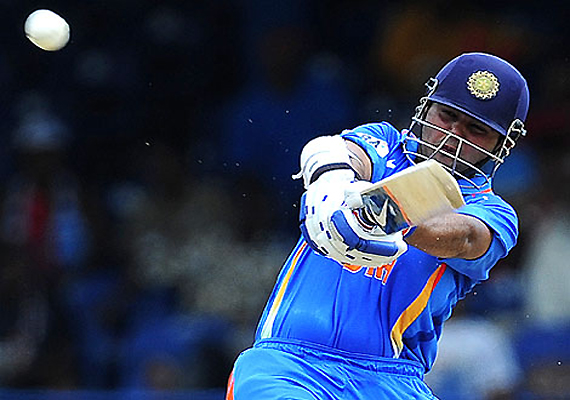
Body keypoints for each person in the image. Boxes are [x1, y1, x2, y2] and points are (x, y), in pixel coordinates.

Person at [225, 52, 530, 399]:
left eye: (475, 130)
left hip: (392, 380)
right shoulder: (384, 142)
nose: (453, 136)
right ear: (426, 107)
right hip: (288, 365)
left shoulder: (494, 211)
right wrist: (331, 186)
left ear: (502, 145)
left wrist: (379, 216)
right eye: (447, 116)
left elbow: (464, 237)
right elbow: (336, 152)